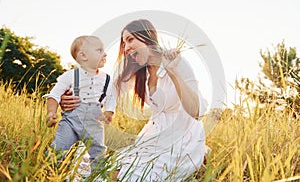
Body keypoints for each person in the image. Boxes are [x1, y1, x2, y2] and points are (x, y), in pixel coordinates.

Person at [60, 19, 207, 181]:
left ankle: (201, 154)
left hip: (182, 137)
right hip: (154, 134)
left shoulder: (177, 62)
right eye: (124, 43)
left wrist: (173, 71)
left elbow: (196, 112)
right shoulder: (138, 71)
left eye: (130, 39)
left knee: (129, 177)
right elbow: (108, 91)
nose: (126, 47)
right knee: (97, 173)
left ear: (148, 37)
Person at [44, 35, 116, 172]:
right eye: (99, 50)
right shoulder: (70, 76)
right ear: (83, 55)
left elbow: (112, 96)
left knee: (98, 151)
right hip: (70, 122)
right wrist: (51, 112)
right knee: (59, 147)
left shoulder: (107, 79)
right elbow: (54, 95)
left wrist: (109, 111)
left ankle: (98, 175)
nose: (105, 53)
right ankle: (49, 171)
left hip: (94, 123)